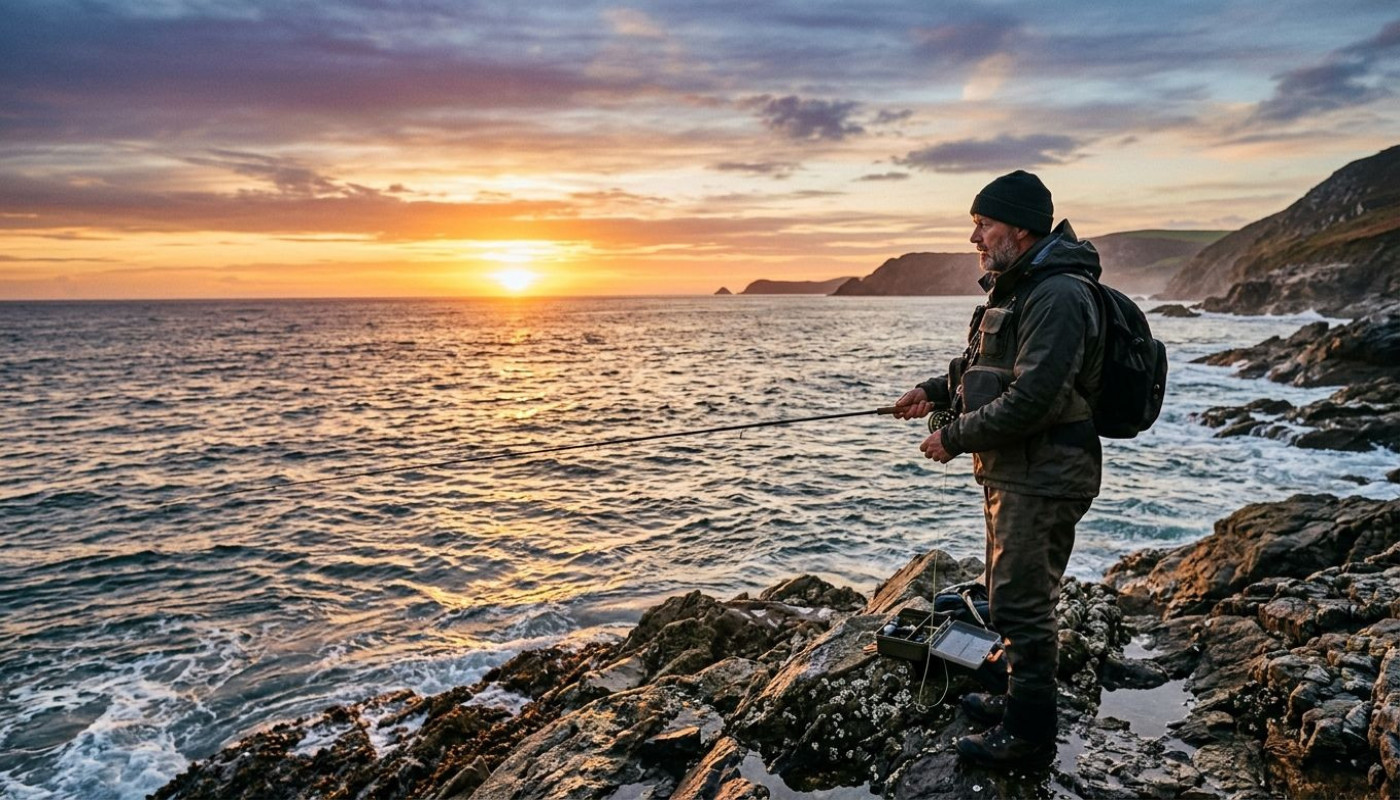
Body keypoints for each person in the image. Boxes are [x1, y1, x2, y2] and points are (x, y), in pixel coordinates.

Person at [891, 170, 1104, 769]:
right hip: (1016, 472)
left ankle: (1030, 738)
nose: (975, 239)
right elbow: (983, 368)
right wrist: (933, 393)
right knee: (1004, 595)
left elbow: (1034, 397)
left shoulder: (1059, 295)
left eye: (982, 225)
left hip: (1047, 474)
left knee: (1021, 607)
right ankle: (1016, 694)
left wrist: (952, 438)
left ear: (1018, 225)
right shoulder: (1019, 287)